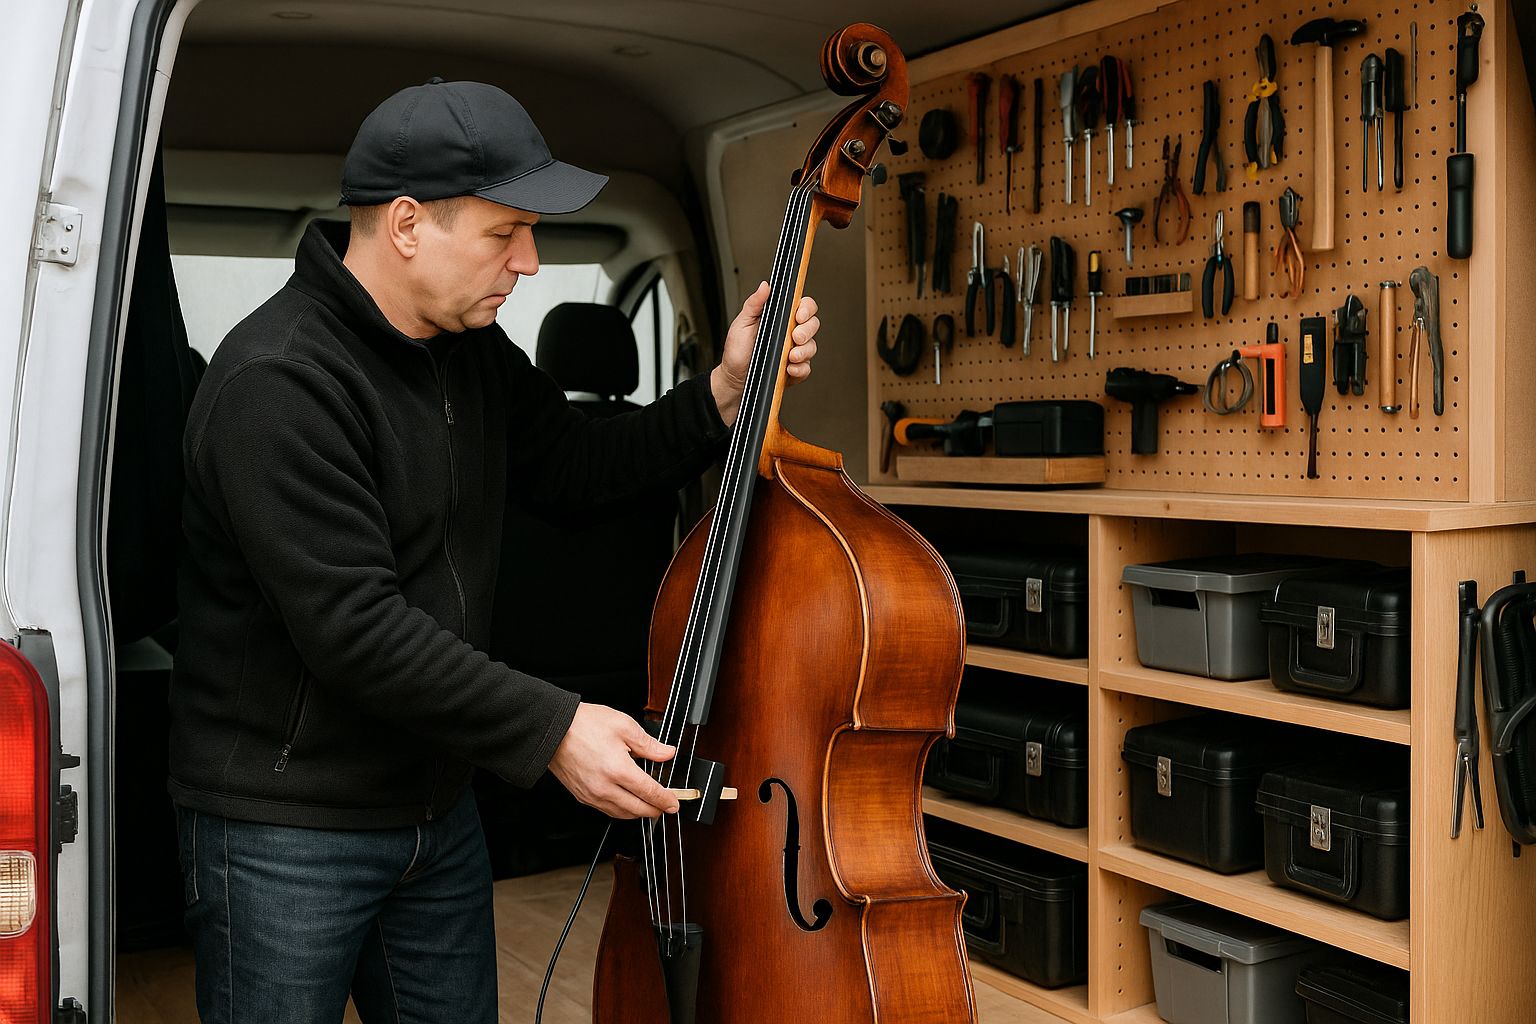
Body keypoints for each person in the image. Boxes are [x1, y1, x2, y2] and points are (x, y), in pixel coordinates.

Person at [167, 78, 820, 1024]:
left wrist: (722, 390)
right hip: (282, 831)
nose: (528, 259)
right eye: (503, 232)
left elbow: (578, 464)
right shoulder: (277, 384)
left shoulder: (464, 347)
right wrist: (554, 728)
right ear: (404, 225)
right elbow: (356, 630)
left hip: (437, 806)